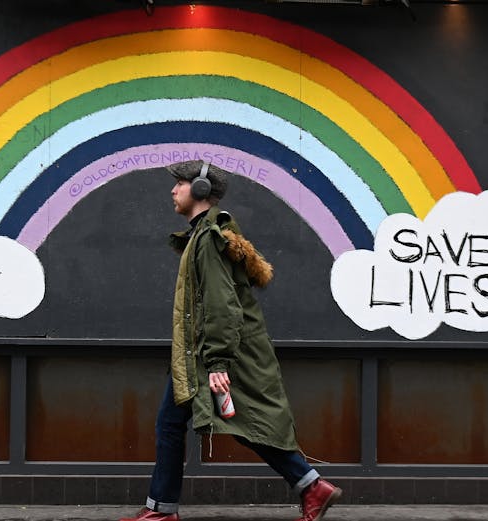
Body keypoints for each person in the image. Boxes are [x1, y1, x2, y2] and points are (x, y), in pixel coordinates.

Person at [119, 160, 342, 521]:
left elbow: (221, 304)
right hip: (200, 353)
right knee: (183, 423)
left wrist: (218, 361)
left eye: (179, 183)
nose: (172, 191)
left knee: (238, 422)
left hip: (215, 354)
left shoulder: (208, 239)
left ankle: (310, 485)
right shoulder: (202, 235)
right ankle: (309, 486)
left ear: (201, 190)